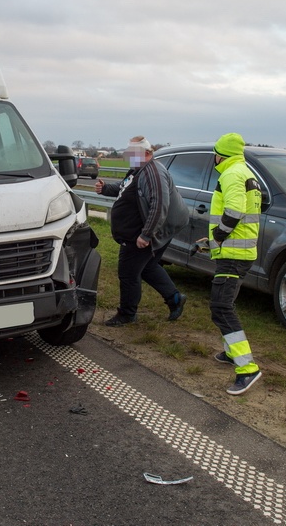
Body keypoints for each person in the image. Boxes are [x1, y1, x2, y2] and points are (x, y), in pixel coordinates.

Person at [95, 136, 189, 326]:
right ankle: (175, 299)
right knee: (147, 267)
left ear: (148, 153)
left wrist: (146, 235)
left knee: (128, 273)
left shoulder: (152, 173)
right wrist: (105, 189)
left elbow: (159, 205)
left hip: (146, 231)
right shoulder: (138, 169)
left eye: (134, 154)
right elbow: (124, 189)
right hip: (146, 228)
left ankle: (127, 314)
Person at [198, 133, 263, 396]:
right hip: (240, 251)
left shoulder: (231, 174)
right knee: (226, 304)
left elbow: (234, 211)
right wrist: (212, 241)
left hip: (233, 254)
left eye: (214, 154)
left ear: (220, 155)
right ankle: (229, 352)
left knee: (221, 308)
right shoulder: (245, 171)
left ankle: (247, 368)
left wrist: (218, 237)